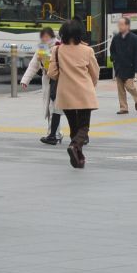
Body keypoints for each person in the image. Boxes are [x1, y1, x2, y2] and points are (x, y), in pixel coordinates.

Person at [47, 19, 100, 169]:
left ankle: (78, 157)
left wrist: (64, 76)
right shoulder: (87, 50)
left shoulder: (57, 50)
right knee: (84, 127)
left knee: (74, 126)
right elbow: (95, 72)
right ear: (79, 34)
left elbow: (52, 73)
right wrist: (91, 84)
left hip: (65, 93)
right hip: (84, 92)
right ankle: (74, 146)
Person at [20, 26, 63, 145]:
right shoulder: (42, 47)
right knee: (50, 108)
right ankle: (54, 133)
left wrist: (45, 57)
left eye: (46, 36)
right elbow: (34, 65)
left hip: (57, 80)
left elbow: (56, 62)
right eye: (42, 37)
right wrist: (25, 80)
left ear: (51, 36)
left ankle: (55, 134)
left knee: (54, 107)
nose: (44, 39)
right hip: (46, 79)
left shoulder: (58, 45)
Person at [109, 17, 137, 115]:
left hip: (130, 67)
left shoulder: (135, 38)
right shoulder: (116, 38)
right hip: (119, 66)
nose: (119, 26)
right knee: (120, 88)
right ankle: (123, 108)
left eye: (121, 24)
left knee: (129, 86)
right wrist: (114, 58)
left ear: (127, 26)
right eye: (119, 24)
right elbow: (112, 50)